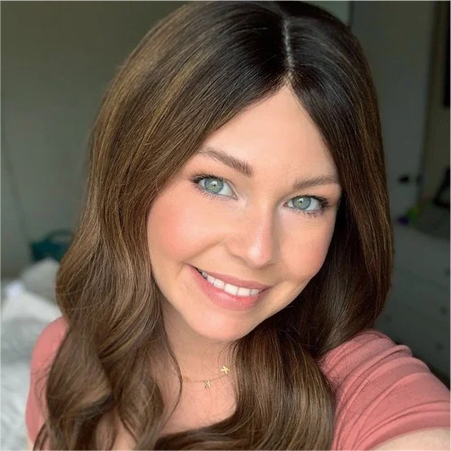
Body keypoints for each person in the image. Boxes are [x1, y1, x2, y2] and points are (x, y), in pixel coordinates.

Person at [25, 1, 451, 450]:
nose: (257, 250)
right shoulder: (63, 359)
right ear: (132, 176)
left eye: (305, 202)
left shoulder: (364, 392)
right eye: (215, 184)